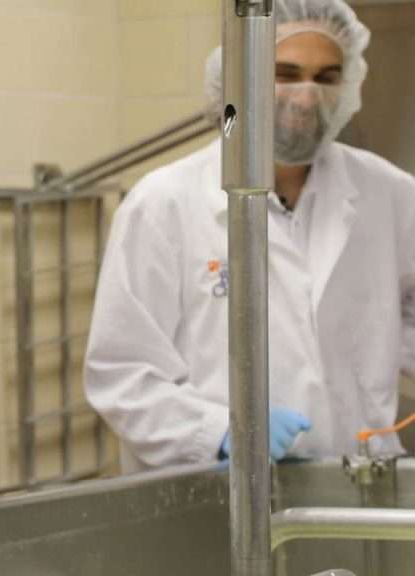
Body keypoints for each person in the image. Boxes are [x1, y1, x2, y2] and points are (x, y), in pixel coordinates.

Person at [84, 0, 415, 474]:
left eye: (325, 77)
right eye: (285, 72)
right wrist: (218, 431)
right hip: (217, 494)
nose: (305, 97)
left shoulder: (389, 193)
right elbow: (122, 374)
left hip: (359, 480)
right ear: (239, 81)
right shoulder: (164, 204)